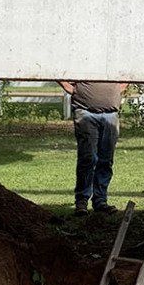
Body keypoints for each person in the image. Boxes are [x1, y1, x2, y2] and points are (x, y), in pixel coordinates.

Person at [59, 79, 126, 213]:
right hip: (85, 112)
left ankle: (100, 201)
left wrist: (118, 89)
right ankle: (82, 201)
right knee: (87, 158)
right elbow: (57, 70)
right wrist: (69, 88)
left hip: (110, 114)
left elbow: (127, 73)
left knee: (106, 160)